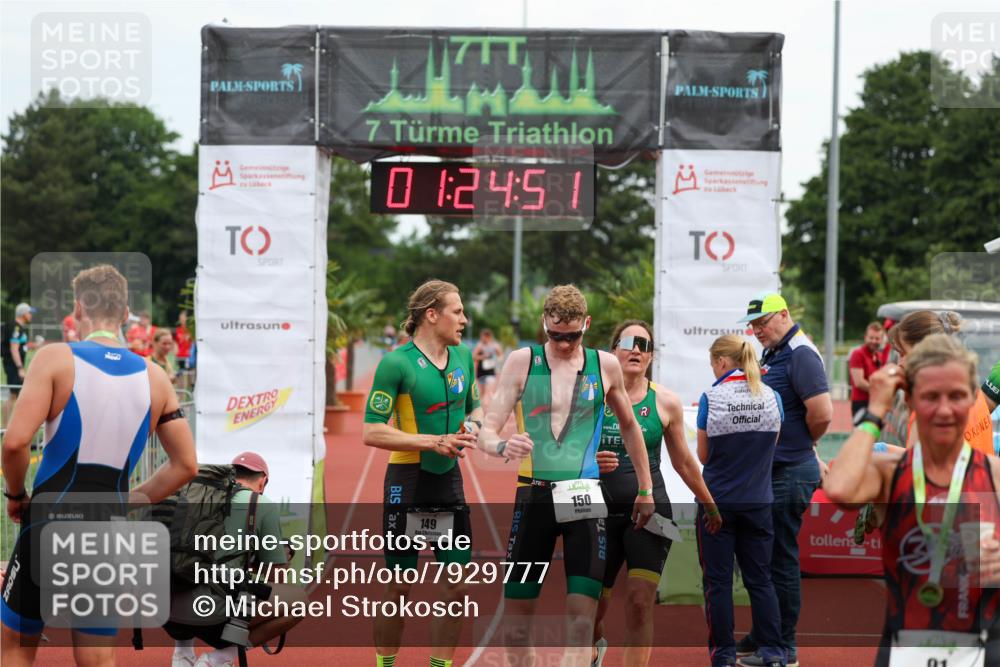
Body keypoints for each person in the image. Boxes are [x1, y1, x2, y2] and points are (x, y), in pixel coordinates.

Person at [1, 264, 198, 667]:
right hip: (107, 526)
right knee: (97, 659)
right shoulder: (157, 377)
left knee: (16, 648)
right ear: (126, 314)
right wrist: (130, 498)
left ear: (77, 309)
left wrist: (16, 495)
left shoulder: (54, 358)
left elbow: (16, 442)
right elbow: (186, 466)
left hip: (49, 518)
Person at [477, 285, 655, 667]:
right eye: (555, 335)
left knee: (580, 618)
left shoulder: (604, 365)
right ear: (544, 324)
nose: (561, 344)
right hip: (534, 495)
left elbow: (629, 427)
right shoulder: (521, 361)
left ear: (586, 326)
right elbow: (488, 428)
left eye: (571, 336)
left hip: (584, 494)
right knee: (518, 621)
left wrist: (646, 487)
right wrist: (501, 446)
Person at [825, 334, 1000, 667]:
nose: (945, 409)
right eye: (931, 396)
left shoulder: (994, 474)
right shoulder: (891, 472)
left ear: (972, 402)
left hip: (982, 645)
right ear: (913, 402)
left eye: (958, 396)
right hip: (905, 646)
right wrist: (875, 409)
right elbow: (839, 489)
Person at [361, 279, 482, 667]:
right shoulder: (396, 363)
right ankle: (386, 664)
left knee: (457, 584)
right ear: (432, 315)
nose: (464, 319)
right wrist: (432, 442)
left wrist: (473, 427)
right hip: (408, 484)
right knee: (399, 585)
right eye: (457, 311)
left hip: (448, 482)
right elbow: (372, 431)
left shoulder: (464, 357)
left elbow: (475, 409)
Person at [591, 320, 721, 667]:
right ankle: (593, 647)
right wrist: (589, 461)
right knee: (591, 606)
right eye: (629, 343)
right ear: (612, 349)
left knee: (638, 601)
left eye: (645, 345)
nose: (637, 350)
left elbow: (684, 462)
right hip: (597, 512)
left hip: (649, 511)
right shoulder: (591, 397)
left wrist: (709, 505)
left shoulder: (665, 401)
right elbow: (561, 451)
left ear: (650, 356)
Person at [735, 292, 832, 667]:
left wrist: (802, 447)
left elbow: (821, 414)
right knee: (762, 558)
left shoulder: (801, 353)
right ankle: (765, 633)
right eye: (753, 325)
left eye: (763, 322)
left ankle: (783, 647)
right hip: (772, 470)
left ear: (784, 315)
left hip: (788, 471)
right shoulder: (775, 352)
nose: (757, 330)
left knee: (780, 559)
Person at [167, 452, 308, 667]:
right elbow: (274, 577)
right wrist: (280, 558)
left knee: (187, 568)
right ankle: (217, 660)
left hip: (167, 609)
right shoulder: (260, 504)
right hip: (212, 613)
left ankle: (182, 654)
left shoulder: (193, 495)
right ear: (262, 482)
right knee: (298, 602)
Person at [695, 335, 785, 667]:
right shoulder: (772, 396)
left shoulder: (711, 397)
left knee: (718, 583)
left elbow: (703, 456)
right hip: (759, 501)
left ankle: (724, 655)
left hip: (716, 504)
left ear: (721, 362)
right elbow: (772, 447)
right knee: (761, 579)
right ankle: (774, 652)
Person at [2, 303, 39, 426]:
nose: (31, 315)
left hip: (14, 365)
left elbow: (20, 346)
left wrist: (32, 346)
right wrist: (20, 368)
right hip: (13, 365)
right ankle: (5, 427)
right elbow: (13, 349)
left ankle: (13, 425)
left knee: (17, 395)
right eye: (29, 313)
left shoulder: (18, 327)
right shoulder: (16, 328)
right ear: (23, 314)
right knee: (13, 395)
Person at [849, 321, 887, 416]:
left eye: (877, 338)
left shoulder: (879, 355)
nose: (874, 341)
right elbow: (859, 382)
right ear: (865, 337)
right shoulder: (857, 354)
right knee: (863, 430)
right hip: (861, 403)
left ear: (882, 340)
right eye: (871, 338)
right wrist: (880, 391)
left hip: (875, 402)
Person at [472, 328, 504, 407]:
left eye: (482, 337)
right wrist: (483, 356)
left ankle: (489, 407)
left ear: (488, 336)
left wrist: (496, 360)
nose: (481, 338)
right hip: (481, 372)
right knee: (482, 392)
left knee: (489, 390)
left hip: (491, 372)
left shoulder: (495, 346)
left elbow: (501, 356)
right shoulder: (480, 345)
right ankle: (482, 408)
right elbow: (473, 356)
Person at [174, 311, 193, 387]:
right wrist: (175, 352)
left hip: (189, 357)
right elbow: (175, 343)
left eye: (183, 317)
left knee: (190, 376)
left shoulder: (192, 330)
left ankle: (190, 393)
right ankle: (181, 394)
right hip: (180, 356)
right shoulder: (178, 330)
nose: (181, 319)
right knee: (180, 375)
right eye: (180, 318)